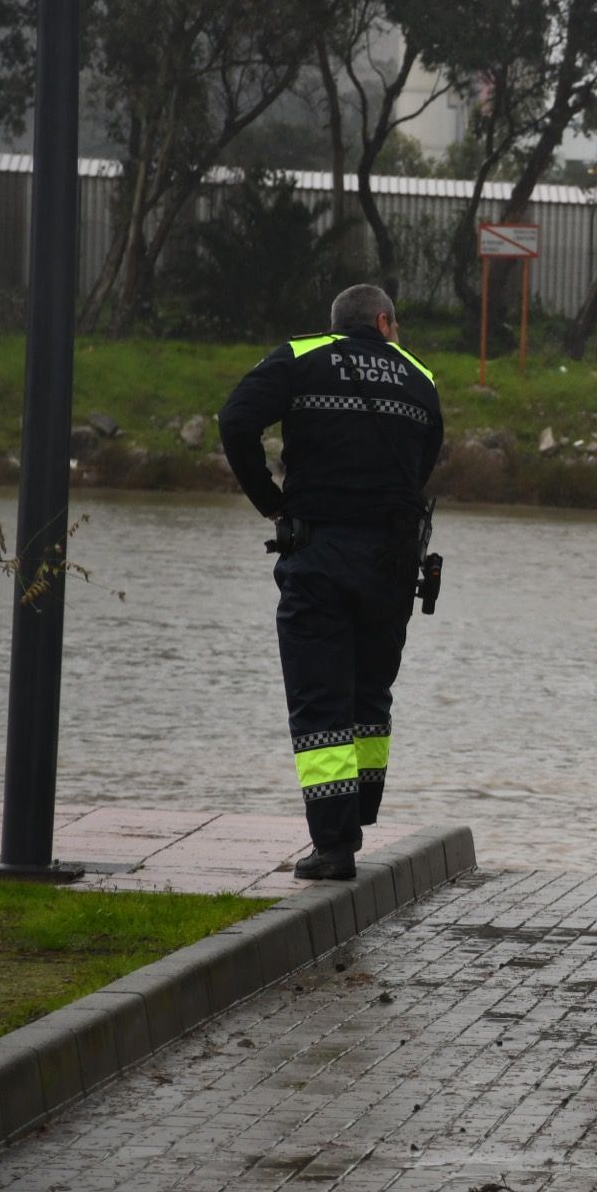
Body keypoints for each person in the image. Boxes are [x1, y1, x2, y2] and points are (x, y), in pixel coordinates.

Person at [218, 284, 443, 880]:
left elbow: (236, 422)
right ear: (383, 321)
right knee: (371, 695)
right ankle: (359, 816)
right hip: (393, 560)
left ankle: (335, 846)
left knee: (321, 703)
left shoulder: (301, 354)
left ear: (338, 323)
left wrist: (270, 500)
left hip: (319, 551)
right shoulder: (418, 374)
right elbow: (424, 462)